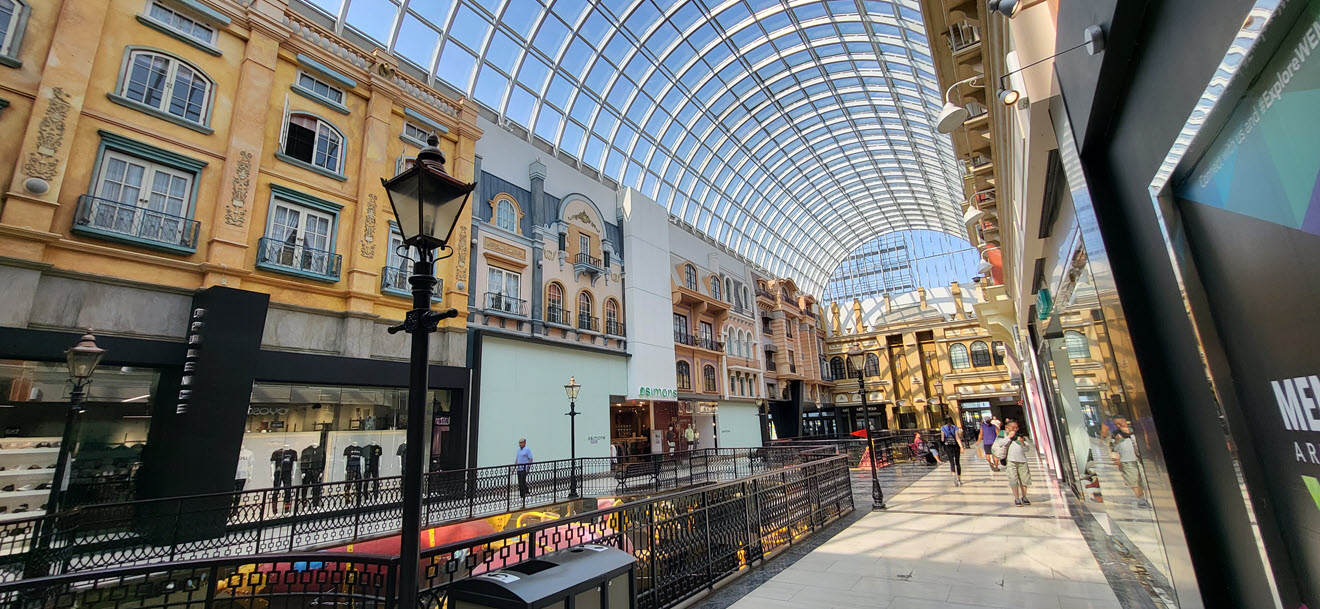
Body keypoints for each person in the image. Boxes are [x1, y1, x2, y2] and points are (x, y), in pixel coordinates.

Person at [1111, 418, 1149, 507]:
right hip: (1127, 461)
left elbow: (1141, 444)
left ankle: (1144, 498)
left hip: (1138, 459)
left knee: (1143, 480)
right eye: (1116, 424)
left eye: (1119, 423)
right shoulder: (1116, 434)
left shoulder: (1135, 431)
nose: (1118, 425)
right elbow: (1115, 449)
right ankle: (1141, 500)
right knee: (1133, 481)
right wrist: (1117, 441)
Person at [1004, 421, 1032, 506]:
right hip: (1010, 460)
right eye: (1013, 427)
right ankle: (1016, 498)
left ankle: (1024, 496)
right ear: (1008, 427)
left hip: (1022, 461)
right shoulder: (1004, 435)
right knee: (1013, 479)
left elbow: (1027, 449)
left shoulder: (1021, 436)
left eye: (1016, 428)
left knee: (1024, 480)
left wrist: (1022, 442)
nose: (1015, 429)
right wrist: (1009, 437)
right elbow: (1000, 444)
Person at [940, 417, 962, 486]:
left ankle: (953, 474)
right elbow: (957, 438)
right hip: (956, 446)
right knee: (957, 462)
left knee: (951, 462)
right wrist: (961, 447)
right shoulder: (955, 427)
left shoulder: (943, 428)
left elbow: (942, 439)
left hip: (948, 446)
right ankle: (959, 479)